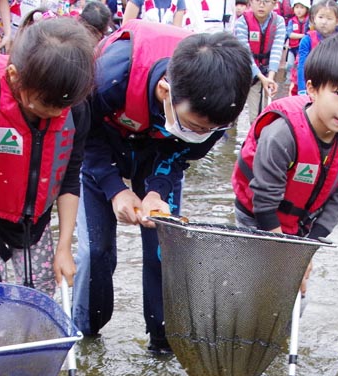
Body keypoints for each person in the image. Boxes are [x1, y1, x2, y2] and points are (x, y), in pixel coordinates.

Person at [74, 21, 251, 353]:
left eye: (212, 129)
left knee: (163, 250)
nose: (205, 133)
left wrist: (156, 190)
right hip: (104, 145)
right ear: (166, 90)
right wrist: (115, 189)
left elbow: (181, 153)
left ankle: (163, 342)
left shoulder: (218, 108)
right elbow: (84, 137)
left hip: (158, 153)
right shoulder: (109, 76)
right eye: (196, 125)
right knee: (94, 251)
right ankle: (87, 335)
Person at [0, 17, 94, 295]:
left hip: (37, 226)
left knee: (42, 302)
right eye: (44, 106)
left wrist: (64, 247)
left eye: (62, 106)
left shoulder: (73, 109)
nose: (55, 114)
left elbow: (69, 177)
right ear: (15, 77)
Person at [233, 32, 338, 267]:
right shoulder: (281, 135)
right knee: (255, 278)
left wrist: (305, 252)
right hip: (258, 218)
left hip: (302, 224)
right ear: (312, 89)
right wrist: (285, 258)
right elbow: (264, 202)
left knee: (296, 289)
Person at [234, 0, 287, 116]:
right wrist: (261, 77)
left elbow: (276, 50)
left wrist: (270, 77)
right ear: (250, 3)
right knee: (238, 111)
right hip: (244, 70)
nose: (261, 5)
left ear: (274, 4)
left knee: (261, 113)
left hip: (266, 70)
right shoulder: (241, 23)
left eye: (267, 1)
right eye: (258, 1)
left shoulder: (279, 22)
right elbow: (245, 53)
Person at [294, 0, 338, 95]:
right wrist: (302, 89)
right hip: (310, 84)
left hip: (331, 85)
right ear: (314, 19)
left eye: (329, 18)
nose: (324, 22)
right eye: (320, 17)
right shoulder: (307, 40)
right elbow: (302, 65)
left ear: (337, 21)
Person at [285, 0, 311, 89]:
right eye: (296, 7)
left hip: (305, 49)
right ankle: (289, 80)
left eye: (302, 7)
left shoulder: (309, 20)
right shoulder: (291, 21)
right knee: (289, 64)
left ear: (307, 9)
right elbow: (289, 34)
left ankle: (302, 81)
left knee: (302, 65)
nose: (299, 10)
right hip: (293, 48)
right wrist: (303, 36)